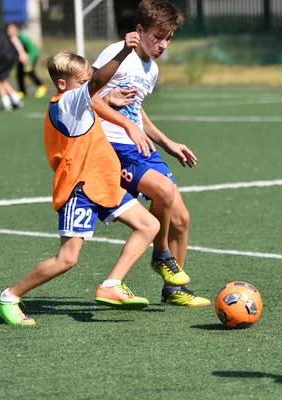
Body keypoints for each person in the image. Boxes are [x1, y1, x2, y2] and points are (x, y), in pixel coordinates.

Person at [0, 32, 160, 326]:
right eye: (83, 83)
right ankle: (8, 296)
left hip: (103, 182)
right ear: (63, 84)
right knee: (67, 259)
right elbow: (94, 87)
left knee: (149, 225)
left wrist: (107, 97)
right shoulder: (66, 101)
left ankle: (111, 285)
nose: (88, 87)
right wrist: (122, 53)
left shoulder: (77, 100)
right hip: (79, 188)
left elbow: (94, 96)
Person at [91, 0, 210, 307]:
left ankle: (173, 290)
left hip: (141, 146)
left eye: (168, 38)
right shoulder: (116, 53)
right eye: (158, 37)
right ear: (139, 30)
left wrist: (167, 143)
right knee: (164, 191)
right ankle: (161, 256)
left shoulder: (151, 69)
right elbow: (89, 94)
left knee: (182, 219)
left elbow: (136, 110)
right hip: (114, 148)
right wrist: (120, 116)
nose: (163, 44)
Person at [6, 24, 47, 99]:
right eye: (8, 30)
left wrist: (29, 61)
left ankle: (41, 86)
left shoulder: (22, 37)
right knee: (19, 73)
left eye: (11, 30)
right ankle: (22, 91)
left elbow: (32, 49)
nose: (9, 32)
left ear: (16, 30)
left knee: (29, 71)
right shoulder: (11, 38)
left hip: (32, 55)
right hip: (22, 58)